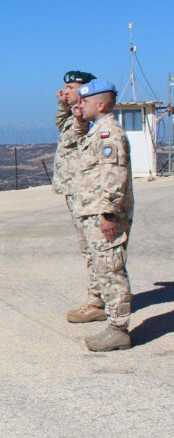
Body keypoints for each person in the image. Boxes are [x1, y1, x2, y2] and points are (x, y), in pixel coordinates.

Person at [72, 78, 134, 351]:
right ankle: (113, 321)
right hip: (93, 213)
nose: (79, 104)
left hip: (104, 215)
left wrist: (109, 213)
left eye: (84, 101)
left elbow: (113, 175)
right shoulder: (96, 131)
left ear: (101, 103)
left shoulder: (110, 134)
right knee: (102, 267)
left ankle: (118, 328)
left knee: (110, 268)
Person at [54, 71, 97, 323]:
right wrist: (63, 107)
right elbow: (62, 126)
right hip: (74, 190)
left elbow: (79, 135)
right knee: (87, 246)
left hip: (84, 190)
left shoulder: (85, 118)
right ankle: (99, 296)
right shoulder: (74, 115)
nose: (66, 91)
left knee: (92, 247)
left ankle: (97, 300)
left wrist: (76, 113)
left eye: (71, 87)